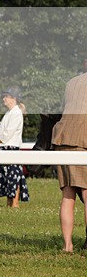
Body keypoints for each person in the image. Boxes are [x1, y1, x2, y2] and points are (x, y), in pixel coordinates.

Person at [51, 71, 87, 252]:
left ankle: (67, 246)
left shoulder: (72, 82)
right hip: (83, 140)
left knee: (68, 195)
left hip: (63, 139)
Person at [0, 86, 29, 208]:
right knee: (6, 177)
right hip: (4, 147)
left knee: (14, 176)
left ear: (14, 98)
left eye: (6, 96)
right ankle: (9, 203)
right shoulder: (8, 113)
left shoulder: (16, 113)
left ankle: (15, 203)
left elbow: (8, 133)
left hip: (11, 148)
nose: (4, 99)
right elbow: (1, 130)